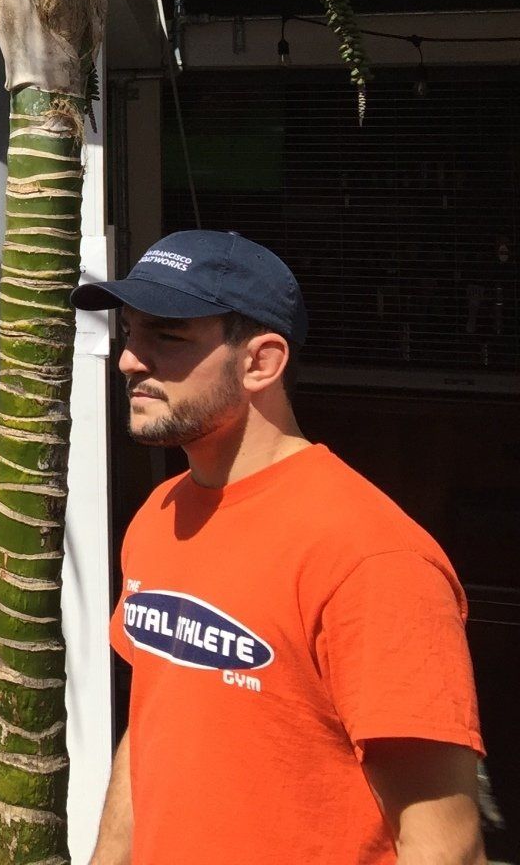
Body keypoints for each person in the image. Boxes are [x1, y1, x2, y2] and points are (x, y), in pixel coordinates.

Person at [77, 230, 485, 865]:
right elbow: (155, 725)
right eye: (130, 332)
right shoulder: (159, 516)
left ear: (260, 363)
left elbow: (445, 847)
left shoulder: (370, 557)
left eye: (168, 336)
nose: (130, 358)